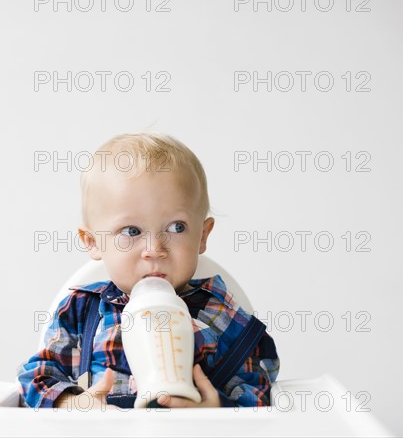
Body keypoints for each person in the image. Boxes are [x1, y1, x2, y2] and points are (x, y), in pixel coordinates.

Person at [18, 132, 280, 410]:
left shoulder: (221, 312)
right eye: (131, 231)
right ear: (93, 241)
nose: (155, 248)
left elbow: (261, 385)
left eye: (176, 227)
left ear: (202, 236)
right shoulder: (80, 312)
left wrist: (218, 409)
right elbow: (35, 377)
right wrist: (72, 404)